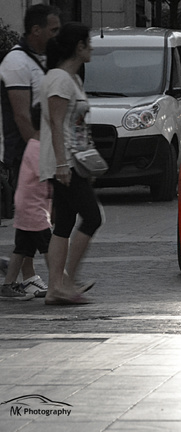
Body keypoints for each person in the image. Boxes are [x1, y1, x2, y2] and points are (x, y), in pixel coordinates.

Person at [40, 22, 101, 305]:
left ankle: (56, 287)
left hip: (72, 161)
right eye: (88, 43)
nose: (91, 48)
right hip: (64, 162)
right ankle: (65, 281)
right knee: (92, 216)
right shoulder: (59, 79)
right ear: (79, 46)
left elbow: (73, 125)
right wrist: (63, 165)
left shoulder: (71, 80)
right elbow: (55, 122)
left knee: (63, 224)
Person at [0, 4, 59, 292]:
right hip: (24, 152)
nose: (56, 35)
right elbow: (21, 116)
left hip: (34, 150)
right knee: (34, 219)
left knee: (28, 221)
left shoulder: (39, 59)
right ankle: (55, 281)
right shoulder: (17, 63)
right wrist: (43, 152)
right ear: (36, 30)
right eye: (53, 30)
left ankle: (24, 278)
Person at [0, 137, 52, 301]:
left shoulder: (32, 145)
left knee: (22, 248)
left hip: (27, 208)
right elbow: (48, 174)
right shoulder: (39, 147)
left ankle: (8, 285)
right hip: (34, 210)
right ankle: (62, 282)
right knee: (49, 248)